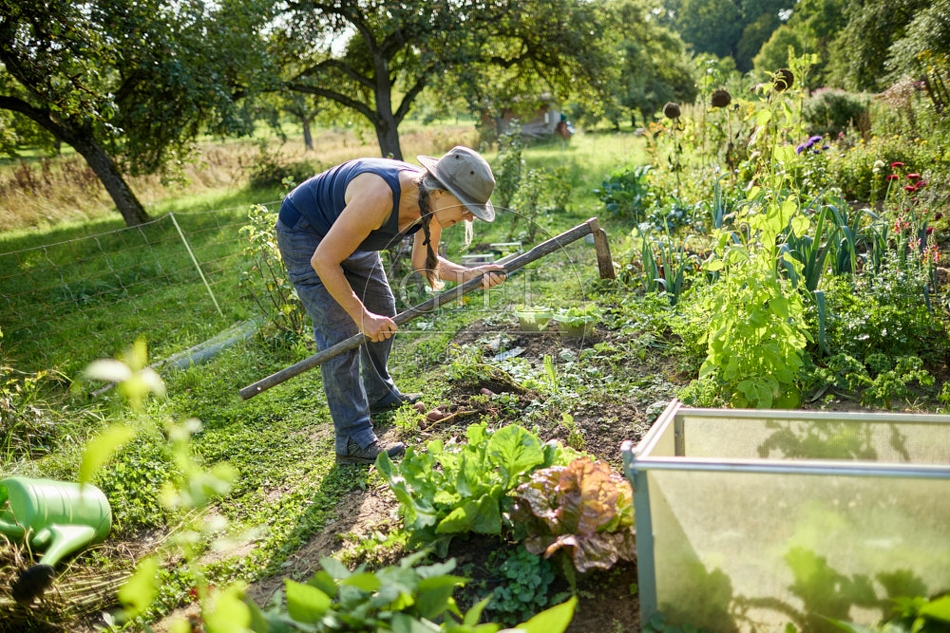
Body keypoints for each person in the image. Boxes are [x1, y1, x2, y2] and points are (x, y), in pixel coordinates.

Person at [275, 146, 506, 465]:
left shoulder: (430, 206)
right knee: (341, 333)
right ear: (440, 191)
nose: (469, 217)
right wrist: (361, 317)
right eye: (467, 207)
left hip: (352, 234)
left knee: (383, 307)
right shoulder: (379, 197)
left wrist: (470, 275)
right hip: (307, 232)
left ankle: (379, 392)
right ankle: (352, 438)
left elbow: (424, 263)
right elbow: (324, 260)